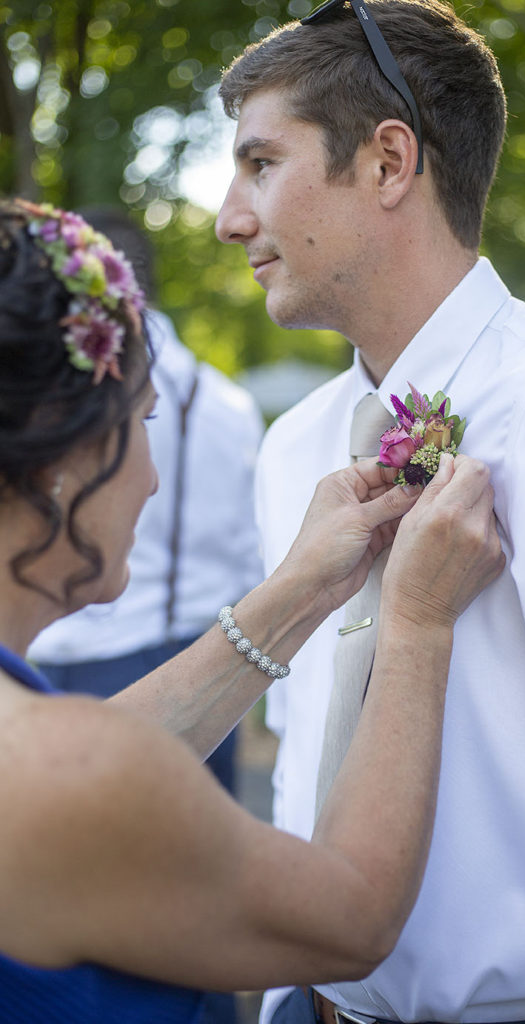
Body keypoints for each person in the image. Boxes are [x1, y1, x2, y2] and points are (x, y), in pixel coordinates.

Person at [214, 2, 525, 1023]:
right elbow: (299, 751)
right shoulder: (295, 445)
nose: (228, 217)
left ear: (388, 163)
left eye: (259, 164)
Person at [0, 198, 503, 1024]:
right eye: (143, 423)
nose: (154, 480)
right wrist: (416, 622)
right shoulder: (66, 777)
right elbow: (355, 918)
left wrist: (299, 591)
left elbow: (102, 758)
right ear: (60, 453)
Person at [27, 208, 263, 1024]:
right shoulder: (231, 406)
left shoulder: (53, 387)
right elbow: (247, 555)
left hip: (61, 655)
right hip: (200, 655)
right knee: (201, 903)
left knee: (69, 913)